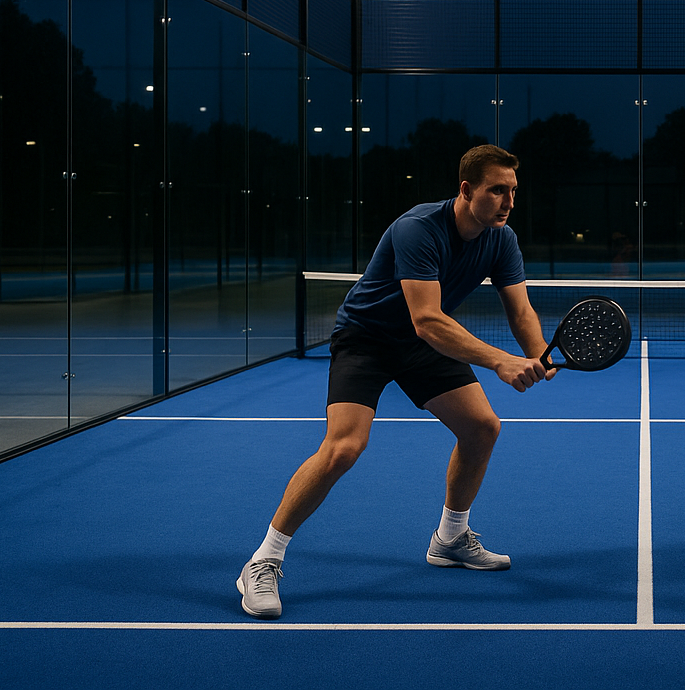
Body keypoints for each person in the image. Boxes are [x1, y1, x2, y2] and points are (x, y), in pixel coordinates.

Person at [236, 144, 552, 619]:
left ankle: (449, 539)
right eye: (497, 191)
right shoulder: (418, 228)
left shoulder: (501, 239)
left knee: (482, 427)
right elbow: (427, 319)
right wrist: (501, 362)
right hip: (368, 338)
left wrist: (537, 354)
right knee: (344, 446)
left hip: (423, 346)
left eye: (513, 191)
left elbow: (521, 309)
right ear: (466, 190)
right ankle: (263, 561)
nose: (508, 201)